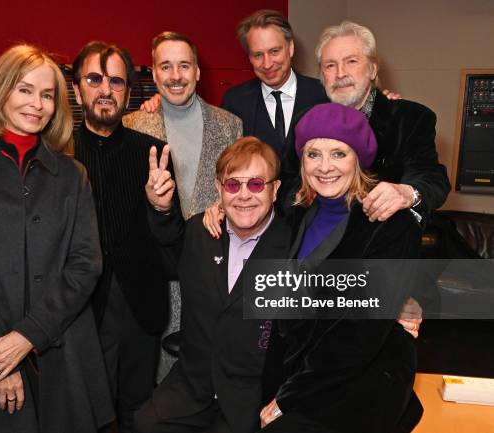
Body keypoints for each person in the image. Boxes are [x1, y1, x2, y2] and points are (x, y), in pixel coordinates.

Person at [0, 41, 173, 433]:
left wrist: (27, 336)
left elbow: (85, 262)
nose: (36, 104)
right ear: (1, 91)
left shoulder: (71, 173)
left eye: (45, 95)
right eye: (24, 90)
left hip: (64, 344)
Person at [259, 102, 423, 433]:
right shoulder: (300, 213)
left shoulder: (392, 224)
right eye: (313, 154)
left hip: (366, 375)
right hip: (309, 367)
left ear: (359, 159)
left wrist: (289, 397)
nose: (324, 166)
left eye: (338, 153)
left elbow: (359, 333)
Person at [137, 137, 297, 433]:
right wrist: (161, 209)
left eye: (257, 184)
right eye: (233, 185)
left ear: (275, 190)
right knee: (145, 423)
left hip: (252, 398)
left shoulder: (295, 247)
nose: (244, 195)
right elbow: (167, 251)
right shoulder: (200, 231)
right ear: (218, 190)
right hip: (192, 388)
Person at [300, 20, 450, 224]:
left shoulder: (411, 118)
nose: (340, 73)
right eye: (330, 65)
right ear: (322, 76)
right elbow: (290, 183)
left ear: (372, 69)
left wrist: (406, 193)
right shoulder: (305, 122)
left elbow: (432, 178)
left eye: (351, 61)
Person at [124, 31, 242, 219]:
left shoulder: (231, 126)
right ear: (154, 74)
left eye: (184, 66)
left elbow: (239, 190)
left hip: (212, 243)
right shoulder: (131, 125)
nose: (176, 76)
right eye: (165, 67)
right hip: (153, 244)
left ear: (197, 72)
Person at [221, 9, 328, 158]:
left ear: (290, 48)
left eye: (274, 51)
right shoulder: (234, 102)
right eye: (258, 55)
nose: (267, 64)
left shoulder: (323, 94)